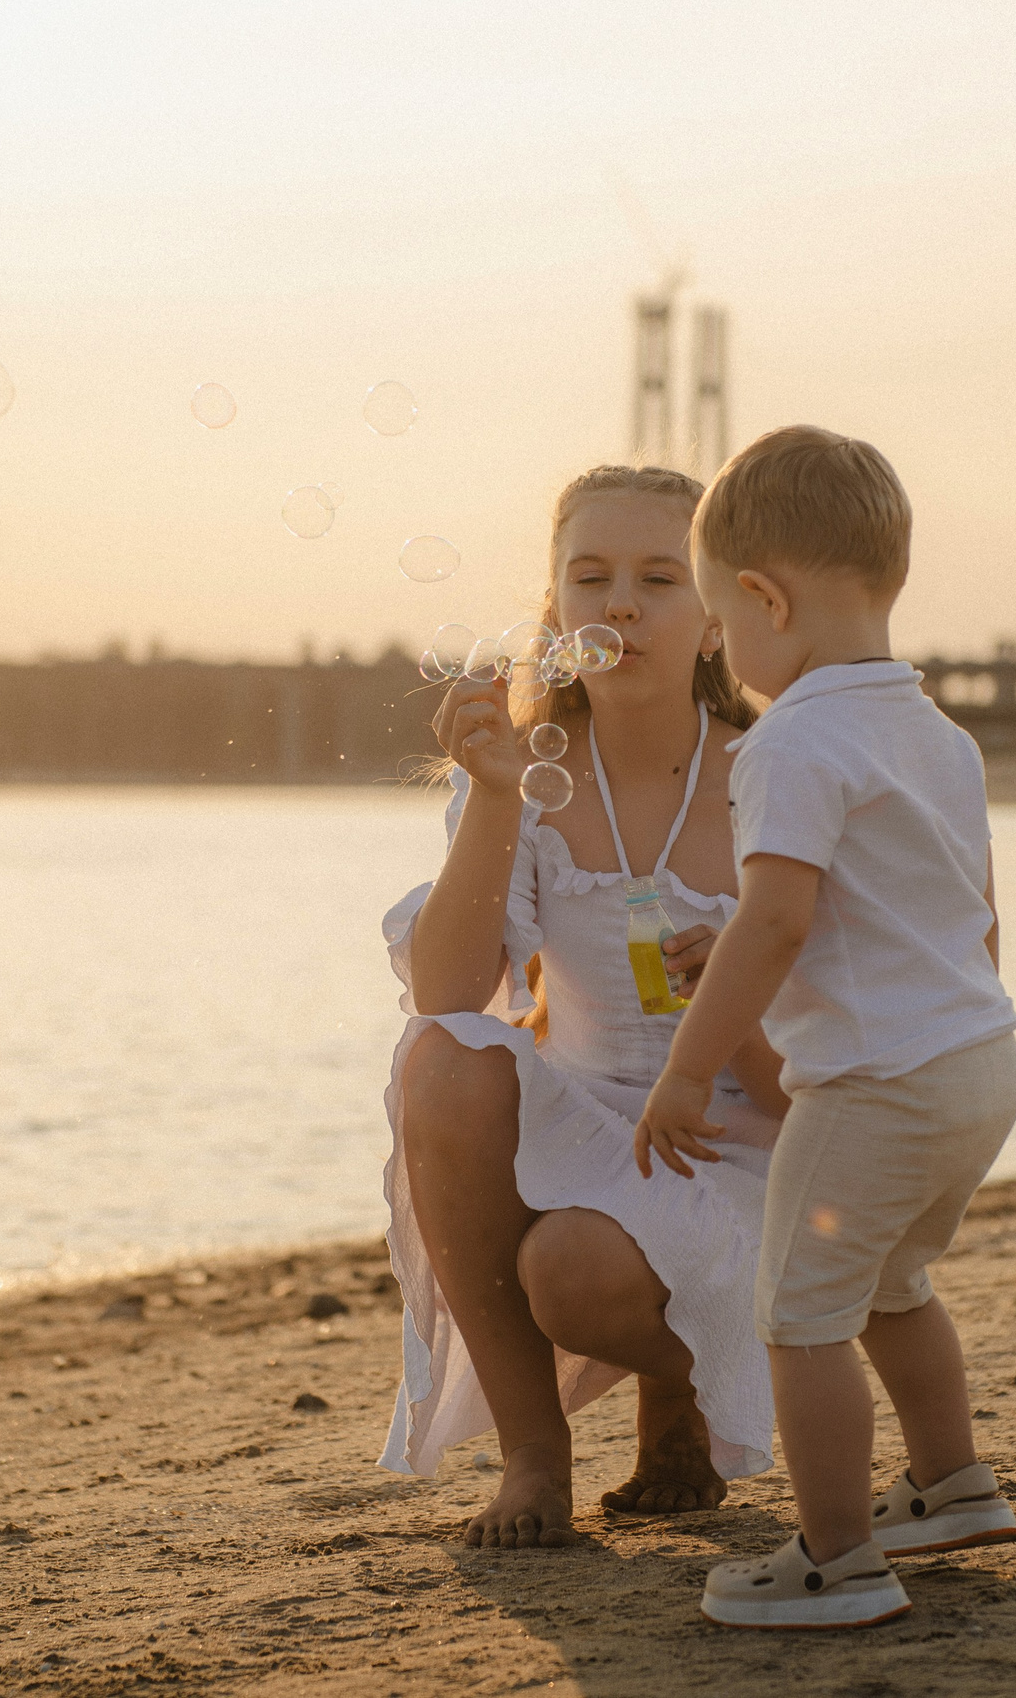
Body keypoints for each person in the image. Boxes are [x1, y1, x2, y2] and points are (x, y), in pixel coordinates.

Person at [635, 426, 1016, 1629]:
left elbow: (779, 918)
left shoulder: (790, 738)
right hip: (976, 1064)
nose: (718, 647)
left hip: (872, 1088)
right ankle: (950, 1483)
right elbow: (953, 914)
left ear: (765, 600)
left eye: (718, 619)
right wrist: (741, 941)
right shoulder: (937, 733)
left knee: (799, 1315)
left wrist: (688, 1068)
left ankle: (836, 1555)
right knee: (893, 1280)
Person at [378, 464, 790, 1548]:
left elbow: (813, 1080)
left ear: (715, 619)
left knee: (569, 1274)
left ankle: (687, 1387)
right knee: (441, 1056)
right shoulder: (527, 770)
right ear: (556, 611)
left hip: (747, 1135)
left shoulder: (774, 777)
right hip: (593, 1125)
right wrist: (495, 794)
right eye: (592, 577)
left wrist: (734, 997)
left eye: (660, 578)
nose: (622, 605)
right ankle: (535, 1452)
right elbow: (446, 991)